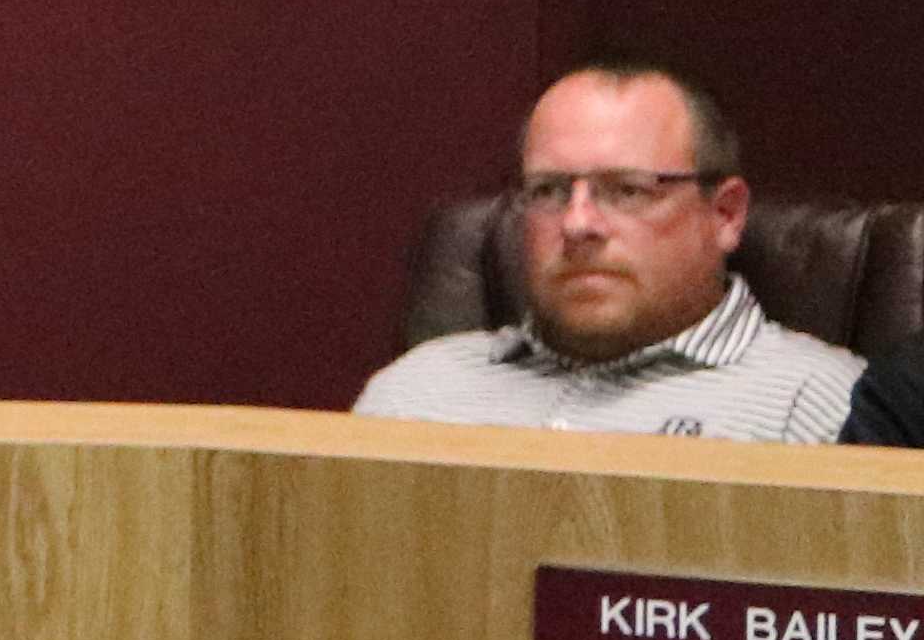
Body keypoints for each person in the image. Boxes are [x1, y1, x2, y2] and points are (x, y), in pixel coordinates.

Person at [351, 60, 865, 441]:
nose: (577, 224)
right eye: (549, 191)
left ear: (725, 214)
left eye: (628, 190)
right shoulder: (410, 397)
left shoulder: (820, 409)